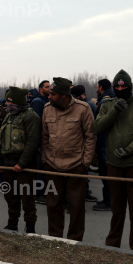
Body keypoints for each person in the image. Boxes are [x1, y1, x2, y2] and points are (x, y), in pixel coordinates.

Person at [95, 69, 133, 252]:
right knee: (116, 209)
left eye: (125, 87)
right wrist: (115, 110)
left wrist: (129, 150)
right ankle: (112, 245)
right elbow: (98, 127)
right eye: (117, 88)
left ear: (130, 87)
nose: (121, 90)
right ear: (114, 88)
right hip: (114, 164)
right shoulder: (108, 104)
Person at [42, 77, 96, 241]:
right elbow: (44, 137)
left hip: (76, 166)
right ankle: (55, 238)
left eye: (53, 94)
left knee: (76, 206)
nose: (49, 97)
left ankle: (74, 240)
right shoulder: (47, 109)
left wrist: (85, 162)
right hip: (53, 166)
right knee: (53, 205)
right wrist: (45, 159)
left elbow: (90, 137)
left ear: (64, 95)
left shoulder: (83, 109)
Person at [0, 87, 41, 233]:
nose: (7, 106)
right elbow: (2, 139)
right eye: (7, 104)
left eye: (11, 104)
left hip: (25, 165)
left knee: (27, 198)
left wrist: (21, 163)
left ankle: (30, 227)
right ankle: (12, 223)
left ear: (19, 104)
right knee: (10, 196)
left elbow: (33, 143)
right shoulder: (9, 116)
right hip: (9, 164)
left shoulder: (31, 117)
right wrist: (0, 162)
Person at [92, 79, 115, 211]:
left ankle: (109, 201)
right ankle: (109, 199)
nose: (96, 88)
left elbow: (102, 123)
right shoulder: (110, 98)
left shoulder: (105, 101)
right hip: (107, 142)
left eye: (97, 86)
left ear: (101, 87)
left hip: (104, 142)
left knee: (106, 173)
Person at [31, 80, 50, 205]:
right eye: (47, 87)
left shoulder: (45, 101)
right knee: (40, 166)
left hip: (46, 138)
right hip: (41, 139)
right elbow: (37, 122)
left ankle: (43, 191)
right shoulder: (37, 102)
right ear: (41, 89)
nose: (49, 89)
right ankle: (38, 194)